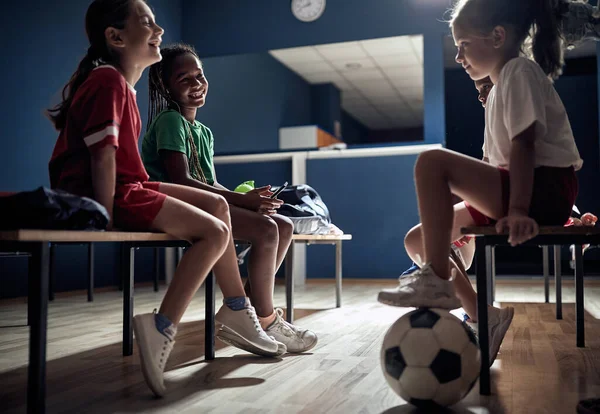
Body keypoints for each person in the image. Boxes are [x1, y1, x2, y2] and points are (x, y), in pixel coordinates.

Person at [47, 0, 284, 397]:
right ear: (116, 37)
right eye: (148, 22)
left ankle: (239, 311)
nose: (158, 29)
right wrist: (102, 217)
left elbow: (120, 164)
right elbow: (102, 157)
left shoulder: (120, 84)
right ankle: (162, 327)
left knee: (219, 206)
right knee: (212, 232)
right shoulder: (108, 81)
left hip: (128, 185)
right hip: (104, 194)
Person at [379, 0, 582, 365]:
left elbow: (526, 145)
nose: (457, 57)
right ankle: (483, 316)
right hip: (519, 188)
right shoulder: (499, 86)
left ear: (498, 36)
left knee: (431, 163)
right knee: (418, 240)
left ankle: (437, 278)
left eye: (463, 45)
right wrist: (471, 220)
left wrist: (518, 209)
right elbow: (497, 164)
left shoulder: (520, 71)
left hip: (540, 189)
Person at [141, 43, 317, 353]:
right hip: (176, 206)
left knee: (285, 225)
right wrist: (243, 204)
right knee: (266, 230)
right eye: (185, 79)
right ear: (164, 84)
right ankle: (264, 318)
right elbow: (181, 180)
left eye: (200, 75)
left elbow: (209, 182)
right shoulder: (170, 121)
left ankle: (248, 315)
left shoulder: (204, 132)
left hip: (204, 204)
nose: (197, 84)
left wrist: (245, 198)